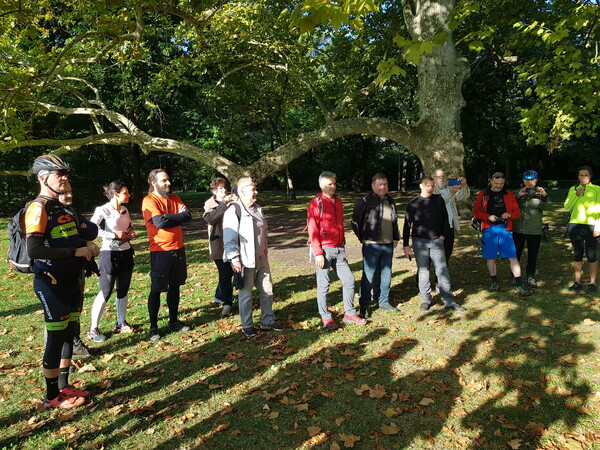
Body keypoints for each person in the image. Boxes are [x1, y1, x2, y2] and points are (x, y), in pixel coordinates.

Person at [25, 154, 99, 408]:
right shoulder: (38, 208)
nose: (65, 177)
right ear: (43, 178)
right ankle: (51, 396)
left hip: (71, 280)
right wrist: (75, 251)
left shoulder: (62, 207)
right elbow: (35, 250)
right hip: (51, 282)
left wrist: (86, 243)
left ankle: (63, 386)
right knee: (56, 337)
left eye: (66, 173)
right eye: (60, 174)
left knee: (69, 333)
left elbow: (76, 234)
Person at [222, 177, 283, 337]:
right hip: (245, 260)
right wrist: (234, 259)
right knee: (246, 294)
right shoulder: (233, 210)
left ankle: (267, 320)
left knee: (267, 290)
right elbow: (229, 238)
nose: (256, 192)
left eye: (256, 189)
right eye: (252, 189)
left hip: (262, 258)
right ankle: (247, 325)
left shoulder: (257, 208)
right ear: (242, 192)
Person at [307, 171, 366, 331]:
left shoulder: (338, 201)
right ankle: (325, 317)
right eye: (329, 184)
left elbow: (339, 223)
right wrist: (318, 252)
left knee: (349, 280)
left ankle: (349, 314)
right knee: (324, 285)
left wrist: (342, 241)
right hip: (324, 250)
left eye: (334, 183)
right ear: (321, 185)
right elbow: (313, 229)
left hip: (339, 248)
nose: (333, 186)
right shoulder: (316, 203)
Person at [142, 169, 192, 341]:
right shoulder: (149, 200)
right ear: (154, 183)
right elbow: (159, 222)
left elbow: (188, 216)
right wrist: (178, 216)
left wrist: (171, 217)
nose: (168, 183)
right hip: (160, 251)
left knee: (175, 286)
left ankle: (173, 321)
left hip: (178, 248)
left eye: (168, 179)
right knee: (157, 289)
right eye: (164, 180)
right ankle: (153, 327)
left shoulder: (175, 197)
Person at [402, 176, 466, 312]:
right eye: (428, 186)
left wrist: (443, 235)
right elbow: (407, 224)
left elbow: (445, 218)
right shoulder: (414, 203)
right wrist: (406, 245)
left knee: (442, 269)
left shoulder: (438, 199)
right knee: (423, 270)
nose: (430, 188)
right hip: (420, 241)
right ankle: (425, 299)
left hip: (437, 240)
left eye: (432, 186)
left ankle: (449, 300)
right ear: (421, 186)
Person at [88, 181, 136, 342]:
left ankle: (121, 323)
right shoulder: (102, 210)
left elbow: (128, 226)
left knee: (123, 289)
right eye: (126, 193)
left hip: (126, 253)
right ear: (116, 194)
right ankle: (93, 329)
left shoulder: (125, 210)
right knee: (106, 291)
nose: (129, 195)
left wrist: (130, 232)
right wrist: (113, 235)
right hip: (109, 254)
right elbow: (91, 230)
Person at [57, 183, 100, 357]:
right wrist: (80, 232)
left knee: (75, 309)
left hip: (76, 269)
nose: (69, 195)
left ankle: (74, 345)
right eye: (64, 192)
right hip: (56, 272)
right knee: (58, 315)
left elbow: (92, 230)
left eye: (70, 191)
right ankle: (59, 354)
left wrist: (82, 236)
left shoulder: (71, 211)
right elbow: (60, 242)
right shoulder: (49, 214)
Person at [472, 172, 531, 296]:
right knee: (490, 257)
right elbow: (476, 212)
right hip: (489, 229)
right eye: (496, 183)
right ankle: (494, 282)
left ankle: (519, 284)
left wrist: (509, 215)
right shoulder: (483, 195)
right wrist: (488, 216)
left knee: (512, 256)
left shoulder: (509, 194)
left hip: (505, 229)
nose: (499, 186)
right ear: (491, 181)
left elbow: (517, 212)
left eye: (501, 184)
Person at [351, 172, 400, 316]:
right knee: (369, 275)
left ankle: (383, 301)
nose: (382, 187)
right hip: (371, 245)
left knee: (386, 274)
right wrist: (364, 238)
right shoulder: (364, 202)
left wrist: (395, 237)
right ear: (373, 186)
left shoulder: (390, 200)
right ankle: (364, 306)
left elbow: (394, 220)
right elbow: (355, 223)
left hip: (388, 244)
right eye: (379, 185)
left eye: (385, 184)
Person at [203, 177, 237, 316]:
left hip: (233, 242)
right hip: (218, 244)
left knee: (231, 272)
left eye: (224, 188)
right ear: (214, 191)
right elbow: (210, 219)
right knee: (225, 273)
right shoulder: (209, 204)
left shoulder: (231, 201)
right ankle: (227, 303)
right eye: (220, 189)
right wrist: (224, 204)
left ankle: (219, 295)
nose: (224, 191)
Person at [564, 165, 600, 293]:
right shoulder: (573, 189)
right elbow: (567, 207)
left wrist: (598, 226)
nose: (583, 177)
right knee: (577, 254)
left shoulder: (597, 190)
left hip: (591, 225)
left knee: (591, 255)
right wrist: (576, 195)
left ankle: (593, 283)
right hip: (575, 225)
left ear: (590, 176)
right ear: (578, 176)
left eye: (586, 175)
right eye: (581, 175)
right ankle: (577, 282)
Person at [512, 170, 549, 288]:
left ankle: (531, 276)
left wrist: (544, 196)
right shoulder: (518, 192)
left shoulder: (541, 193)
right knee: (516, 253)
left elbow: (545, 207)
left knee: (532, 254)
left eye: (532, 180)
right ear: (523, 180)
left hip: (534, 229)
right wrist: (518, 196)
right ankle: (515, 275)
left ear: (536, 180)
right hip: (519, 228)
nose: (529, 182)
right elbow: (510, 206)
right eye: (527, 180)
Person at [433, 169, 470, 264]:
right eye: (439, 177)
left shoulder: (450, 188)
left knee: (447, 253)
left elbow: (464, 196)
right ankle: (426, 274)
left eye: (444, 176)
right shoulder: (432, 189)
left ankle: (442, 273)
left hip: (449, 226)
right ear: (434, 178)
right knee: (433, 255)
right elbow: (440, 202)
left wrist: (464, 185)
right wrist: (452, 193)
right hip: (436, 228)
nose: (442, 178)